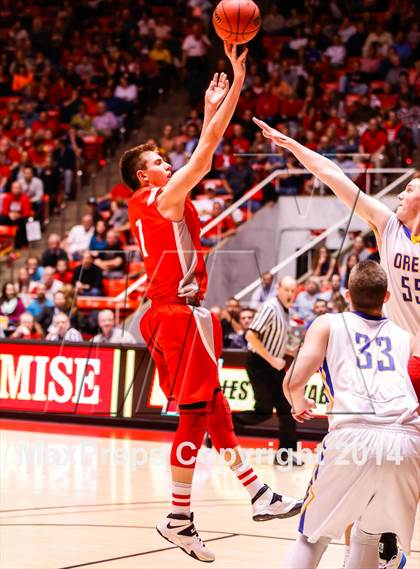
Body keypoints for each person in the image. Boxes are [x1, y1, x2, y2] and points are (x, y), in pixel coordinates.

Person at [122, 45, 301, 563]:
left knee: (215, 405)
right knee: (196, 417)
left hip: (177, 315)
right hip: (175, 317)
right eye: (158, 161)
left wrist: (209, 107)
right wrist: (239, 78)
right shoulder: (164, 198)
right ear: (145, 177)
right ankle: (179, 516)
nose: (167, 162)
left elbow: (203, 144)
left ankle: (258, 493)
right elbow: (209, 149)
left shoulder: (149, 202)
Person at [253, 117, 420, 568]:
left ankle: (382, 539)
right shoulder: (387, 227)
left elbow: (297, 380)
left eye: (410, 188)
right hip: (405, 365)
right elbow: (335, 177)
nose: (401, 193)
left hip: (404, 368)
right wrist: (295, 147)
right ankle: (381, 541)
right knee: (379, 479)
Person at [282, 261, 419, 569]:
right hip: (407, 439)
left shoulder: (328, 322)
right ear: (386, 297)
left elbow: (292, 381)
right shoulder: (405, 336)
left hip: (353, 434)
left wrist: (298, 401)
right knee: (369, 536)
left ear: (346, 294)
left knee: (312, 538)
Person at [234, 277, 302, 466]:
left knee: (287, 410)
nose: (290, 294)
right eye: (287, 290)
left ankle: (285, 456)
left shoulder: (284, 310)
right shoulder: (271, 307)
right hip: (260, 364)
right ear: (278, 289)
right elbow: (251, 335)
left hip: (273, 366)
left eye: (293, 290)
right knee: (263, 412)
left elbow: (273, 338)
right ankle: (220, 429)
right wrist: (273, 359)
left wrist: (289, 351)